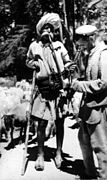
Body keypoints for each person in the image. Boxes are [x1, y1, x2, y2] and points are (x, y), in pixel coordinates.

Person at [26, 13, 74, 171]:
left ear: (53, 32)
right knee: (41, 123)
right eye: (45, 29)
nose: (48, 31)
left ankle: (58, 153)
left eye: (51, 29)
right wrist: (33, 64)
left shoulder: (59, 45)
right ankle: (40, 154)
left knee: (60, 122)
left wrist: (67, 68)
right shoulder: (34, 46)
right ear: (40, 31)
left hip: (58, 88)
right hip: (43, 89)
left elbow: (68, 63)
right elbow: (28, 61)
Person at [71, 24, 107, 179]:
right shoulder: (91, 53)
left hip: (98, 107)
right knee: (84, 141)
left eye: (83, 43)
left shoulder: (103, 54)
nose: (81, 47)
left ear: (91, 38)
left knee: (100, 146)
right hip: (87, 107)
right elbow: (87, 76)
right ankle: (89, 173)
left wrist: (79, 85)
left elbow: (103, 82)